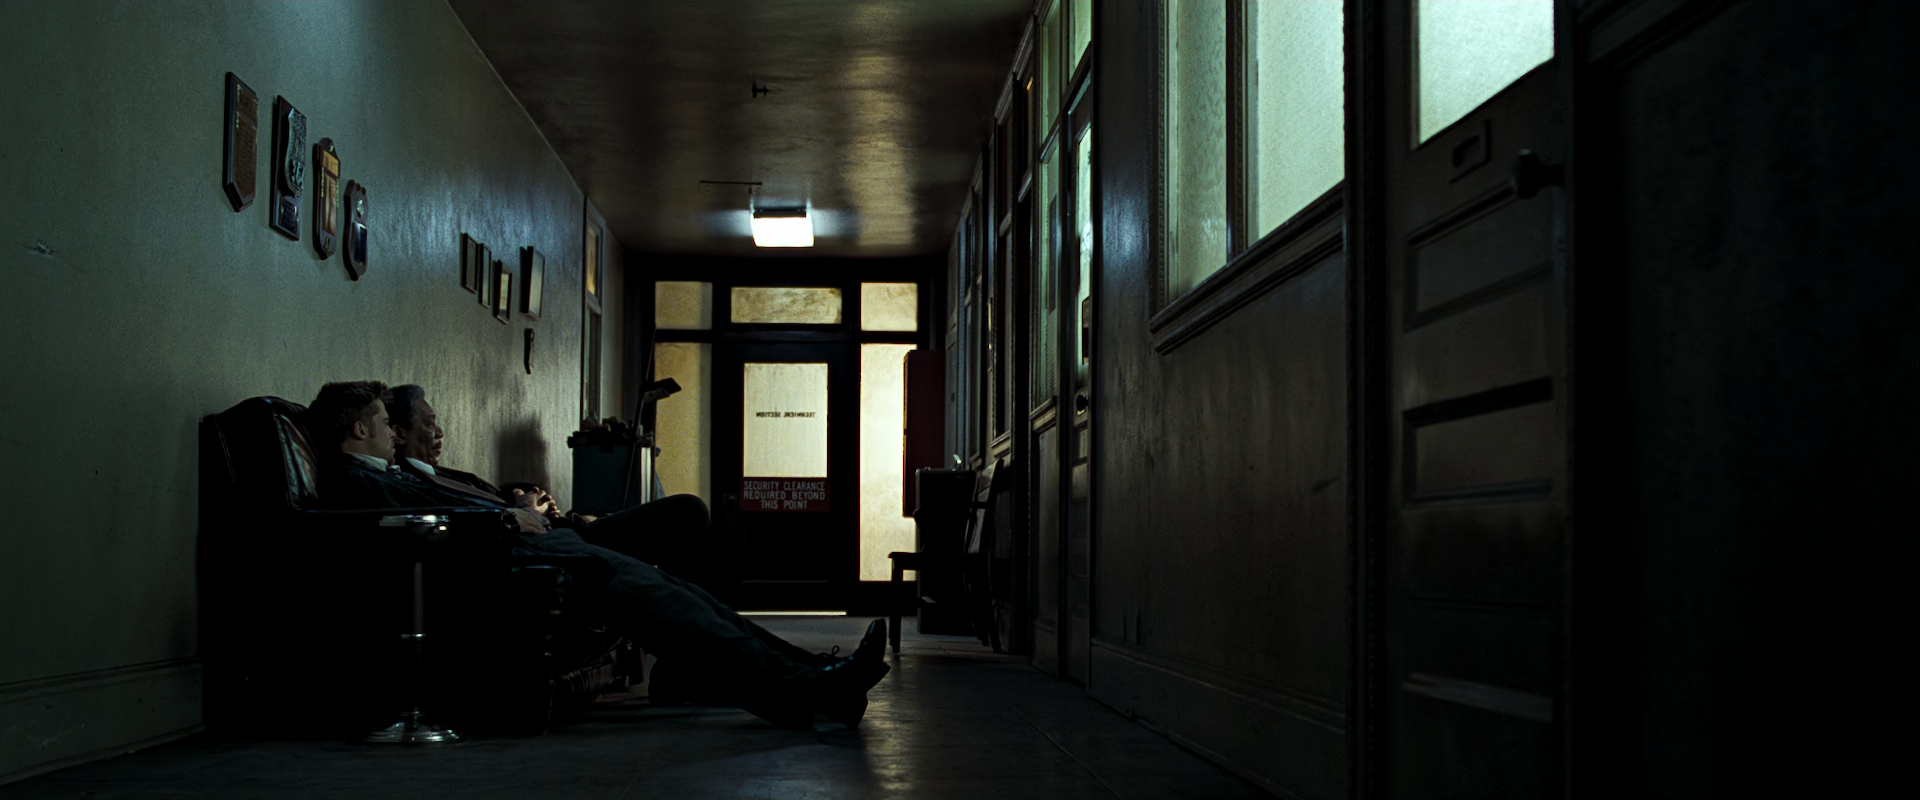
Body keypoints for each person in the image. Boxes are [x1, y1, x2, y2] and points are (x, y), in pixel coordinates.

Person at [303, 380, 888, 727]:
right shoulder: (359, 479)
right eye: (381, 422)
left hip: (545, 543)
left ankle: (818, 674)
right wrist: (506, 518)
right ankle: (810, 691)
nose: (392, 431)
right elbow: (421, 526)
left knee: (688, 596)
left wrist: (517, 509)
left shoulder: (385, 472)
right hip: (528, 557)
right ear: (358, 430)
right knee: (674, 607)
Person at [383, 384, 723, 589]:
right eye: (430, 424)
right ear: (398, 433)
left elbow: (493, 498)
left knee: (686, 515)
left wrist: (524, 495)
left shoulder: (444, 474)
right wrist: (525, 509)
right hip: (555, 540)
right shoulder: (412, 483)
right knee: (686, 513)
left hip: (566, 526)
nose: (440, 432)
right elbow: (477, 520)